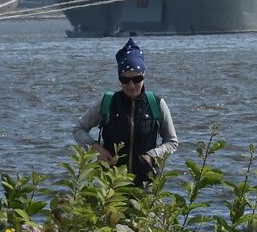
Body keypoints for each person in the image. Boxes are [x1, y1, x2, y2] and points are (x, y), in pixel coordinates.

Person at [72, 38, 180, 186]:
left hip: (146, 185)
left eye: (137, 79)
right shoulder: (108, 101)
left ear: (143, 76)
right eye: (125, 79)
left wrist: (152, 155)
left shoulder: (156, 103)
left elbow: (172, 142)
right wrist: (96, 149)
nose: (131, 85)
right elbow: (79, 129)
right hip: (111, 185)